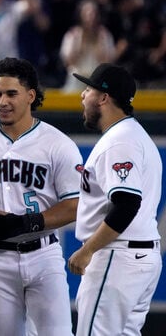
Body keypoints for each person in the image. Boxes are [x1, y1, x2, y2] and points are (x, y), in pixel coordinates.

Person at [0, 57, 82, 335]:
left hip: (42, 254)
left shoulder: (57, 143)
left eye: (11, 93)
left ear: (30, 96)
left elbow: (74, 206)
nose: (2, 101)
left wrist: (27, 223)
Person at [68, 63, 163, 335]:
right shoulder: (132, 135)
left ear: (104, 98)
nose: (82, 96)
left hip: (117, 255)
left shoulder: (120, 141)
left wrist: (88, 251)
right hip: (138, 256)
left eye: (87, 89)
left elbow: (126, 205)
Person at [59, 0, 116, 92]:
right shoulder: (72, 34)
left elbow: (108, 63)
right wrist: (82, 42)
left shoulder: (105, 35)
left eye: (93, 13)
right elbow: (69, 62)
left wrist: (97, 42)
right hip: (77, 78)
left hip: (98, 80)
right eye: (87, 13)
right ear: (80, 15)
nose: (90, 17)